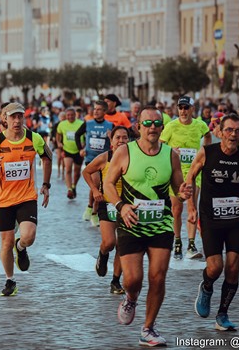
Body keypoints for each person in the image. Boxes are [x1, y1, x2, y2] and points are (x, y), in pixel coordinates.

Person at [103, 106, 193, 347]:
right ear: (138, 127)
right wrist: (121, 206)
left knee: (158, 277)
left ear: (162, 127)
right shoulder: (124, 152)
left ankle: (148, 328)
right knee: (133, 280)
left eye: (157, 123)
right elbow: (108, 184)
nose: (152, 127)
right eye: (147, 123)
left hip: (161, 225)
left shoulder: (170, 154)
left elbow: (178, 187)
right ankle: (130, 298)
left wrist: (184, 192)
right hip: (131, 224)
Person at [188, 114, 239, 331]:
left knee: (233, 267)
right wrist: (191, 206)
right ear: (220, 132)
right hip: (211, 218)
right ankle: (207, 286)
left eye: (238, 131)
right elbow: (190, 177)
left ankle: (223, 314)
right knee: (215, 266)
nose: (234, 135)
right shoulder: (208, 152)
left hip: (237, 218)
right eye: (229, 130)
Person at [0, 102, 52, 296]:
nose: (17, 121)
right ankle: (10, 280)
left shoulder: (33, 138)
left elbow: (47, 157)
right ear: (5, 119)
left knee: (28, 236)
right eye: (13, 117)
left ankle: (21, 247)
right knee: (6, 242)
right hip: (4, 199)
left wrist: (46, 184)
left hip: (27, 196)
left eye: (20, 116)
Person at [160, 95, 211, 260]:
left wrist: (206, 153)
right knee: (176, 210)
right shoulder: (171, 126)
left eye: (186, 108)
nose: (183, 111)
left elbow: (208, 135)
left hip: (194, 173)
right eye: (180, 108)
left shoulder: (200, 125)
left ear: (192, 109)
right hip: (175, 173)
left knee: (192, 208)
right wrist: (170, 150)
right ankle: (177, 242)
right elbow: (160, 144)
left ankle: (191, 244)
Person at [82, 125, 129, 294]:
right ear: (111, 141)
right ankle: (103, 253)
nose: (121, 141)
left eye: (125, 138)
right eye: (118, 138)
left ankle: (115, 281)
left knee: (123, 245)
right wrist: (95, 190)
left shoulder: (133, 158)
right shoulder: (104, 158)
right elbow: (86, 172)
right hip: (107, 204)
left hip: (127, 206)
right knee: (110, 242)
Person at [75, 100, 114, 225]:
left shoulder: (110, 125)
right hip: (91, 158)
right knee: (96, 183)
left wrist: (110, 137)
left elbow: (115, 141)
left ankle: (93, 209)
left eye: (98, 109)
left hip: (104, 159)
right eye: (94, 109)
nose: (95, 111)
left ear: (104, 111)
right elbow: (77, 134)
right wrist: (80, 148)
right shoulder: (88, 123)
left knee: (102, 187)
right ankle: (92, 210)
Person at [56, 107, 85, 199]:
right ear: (66, 116)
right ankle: (69, 189)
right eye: (68, 115)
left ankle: (74, 186)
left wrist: (84, 144)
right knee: (68, 169)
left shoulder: (81, 123)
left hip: (78, 150)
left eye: (72, 115)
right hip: (67, 150)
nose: (70, 117)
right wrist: (58, 142)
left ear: (75, 115)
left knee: (77, 172)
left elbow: (86, 135)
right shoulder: (62, 124)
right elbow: (58, 134)